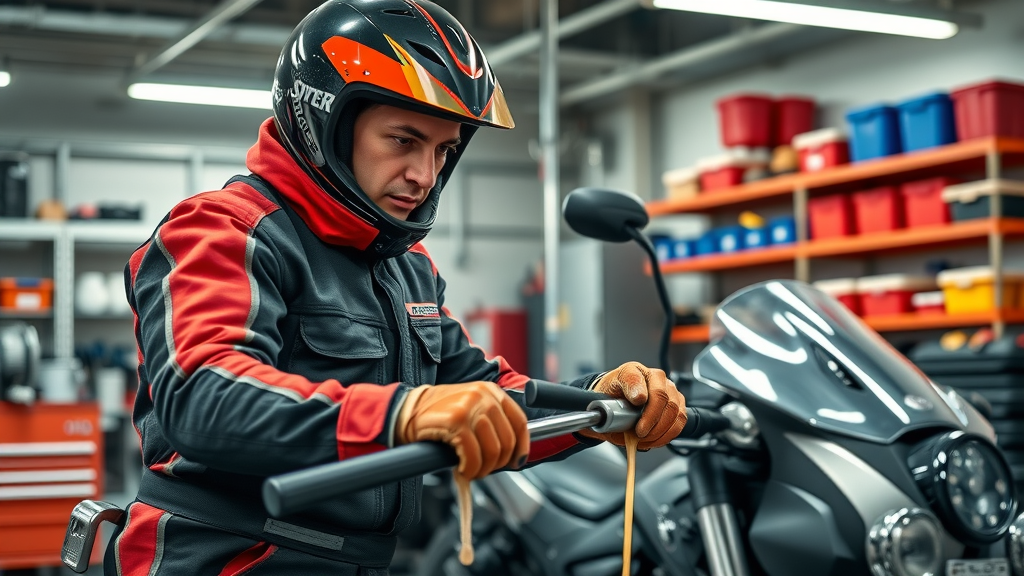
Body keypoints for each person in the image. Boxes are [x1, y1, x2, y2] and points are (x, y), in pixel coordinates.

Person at [107, 1, 688, 574]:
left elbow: (479, 395)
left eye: (443, 150)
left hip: (358, 563)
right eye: (404, 140)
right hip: (227, 557)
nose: (425, 175)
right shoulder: (224, 230)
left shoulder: (405, 264)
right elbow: (206, 398)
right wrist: (405, 413)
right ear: (325, 126)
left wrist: (598, 403)